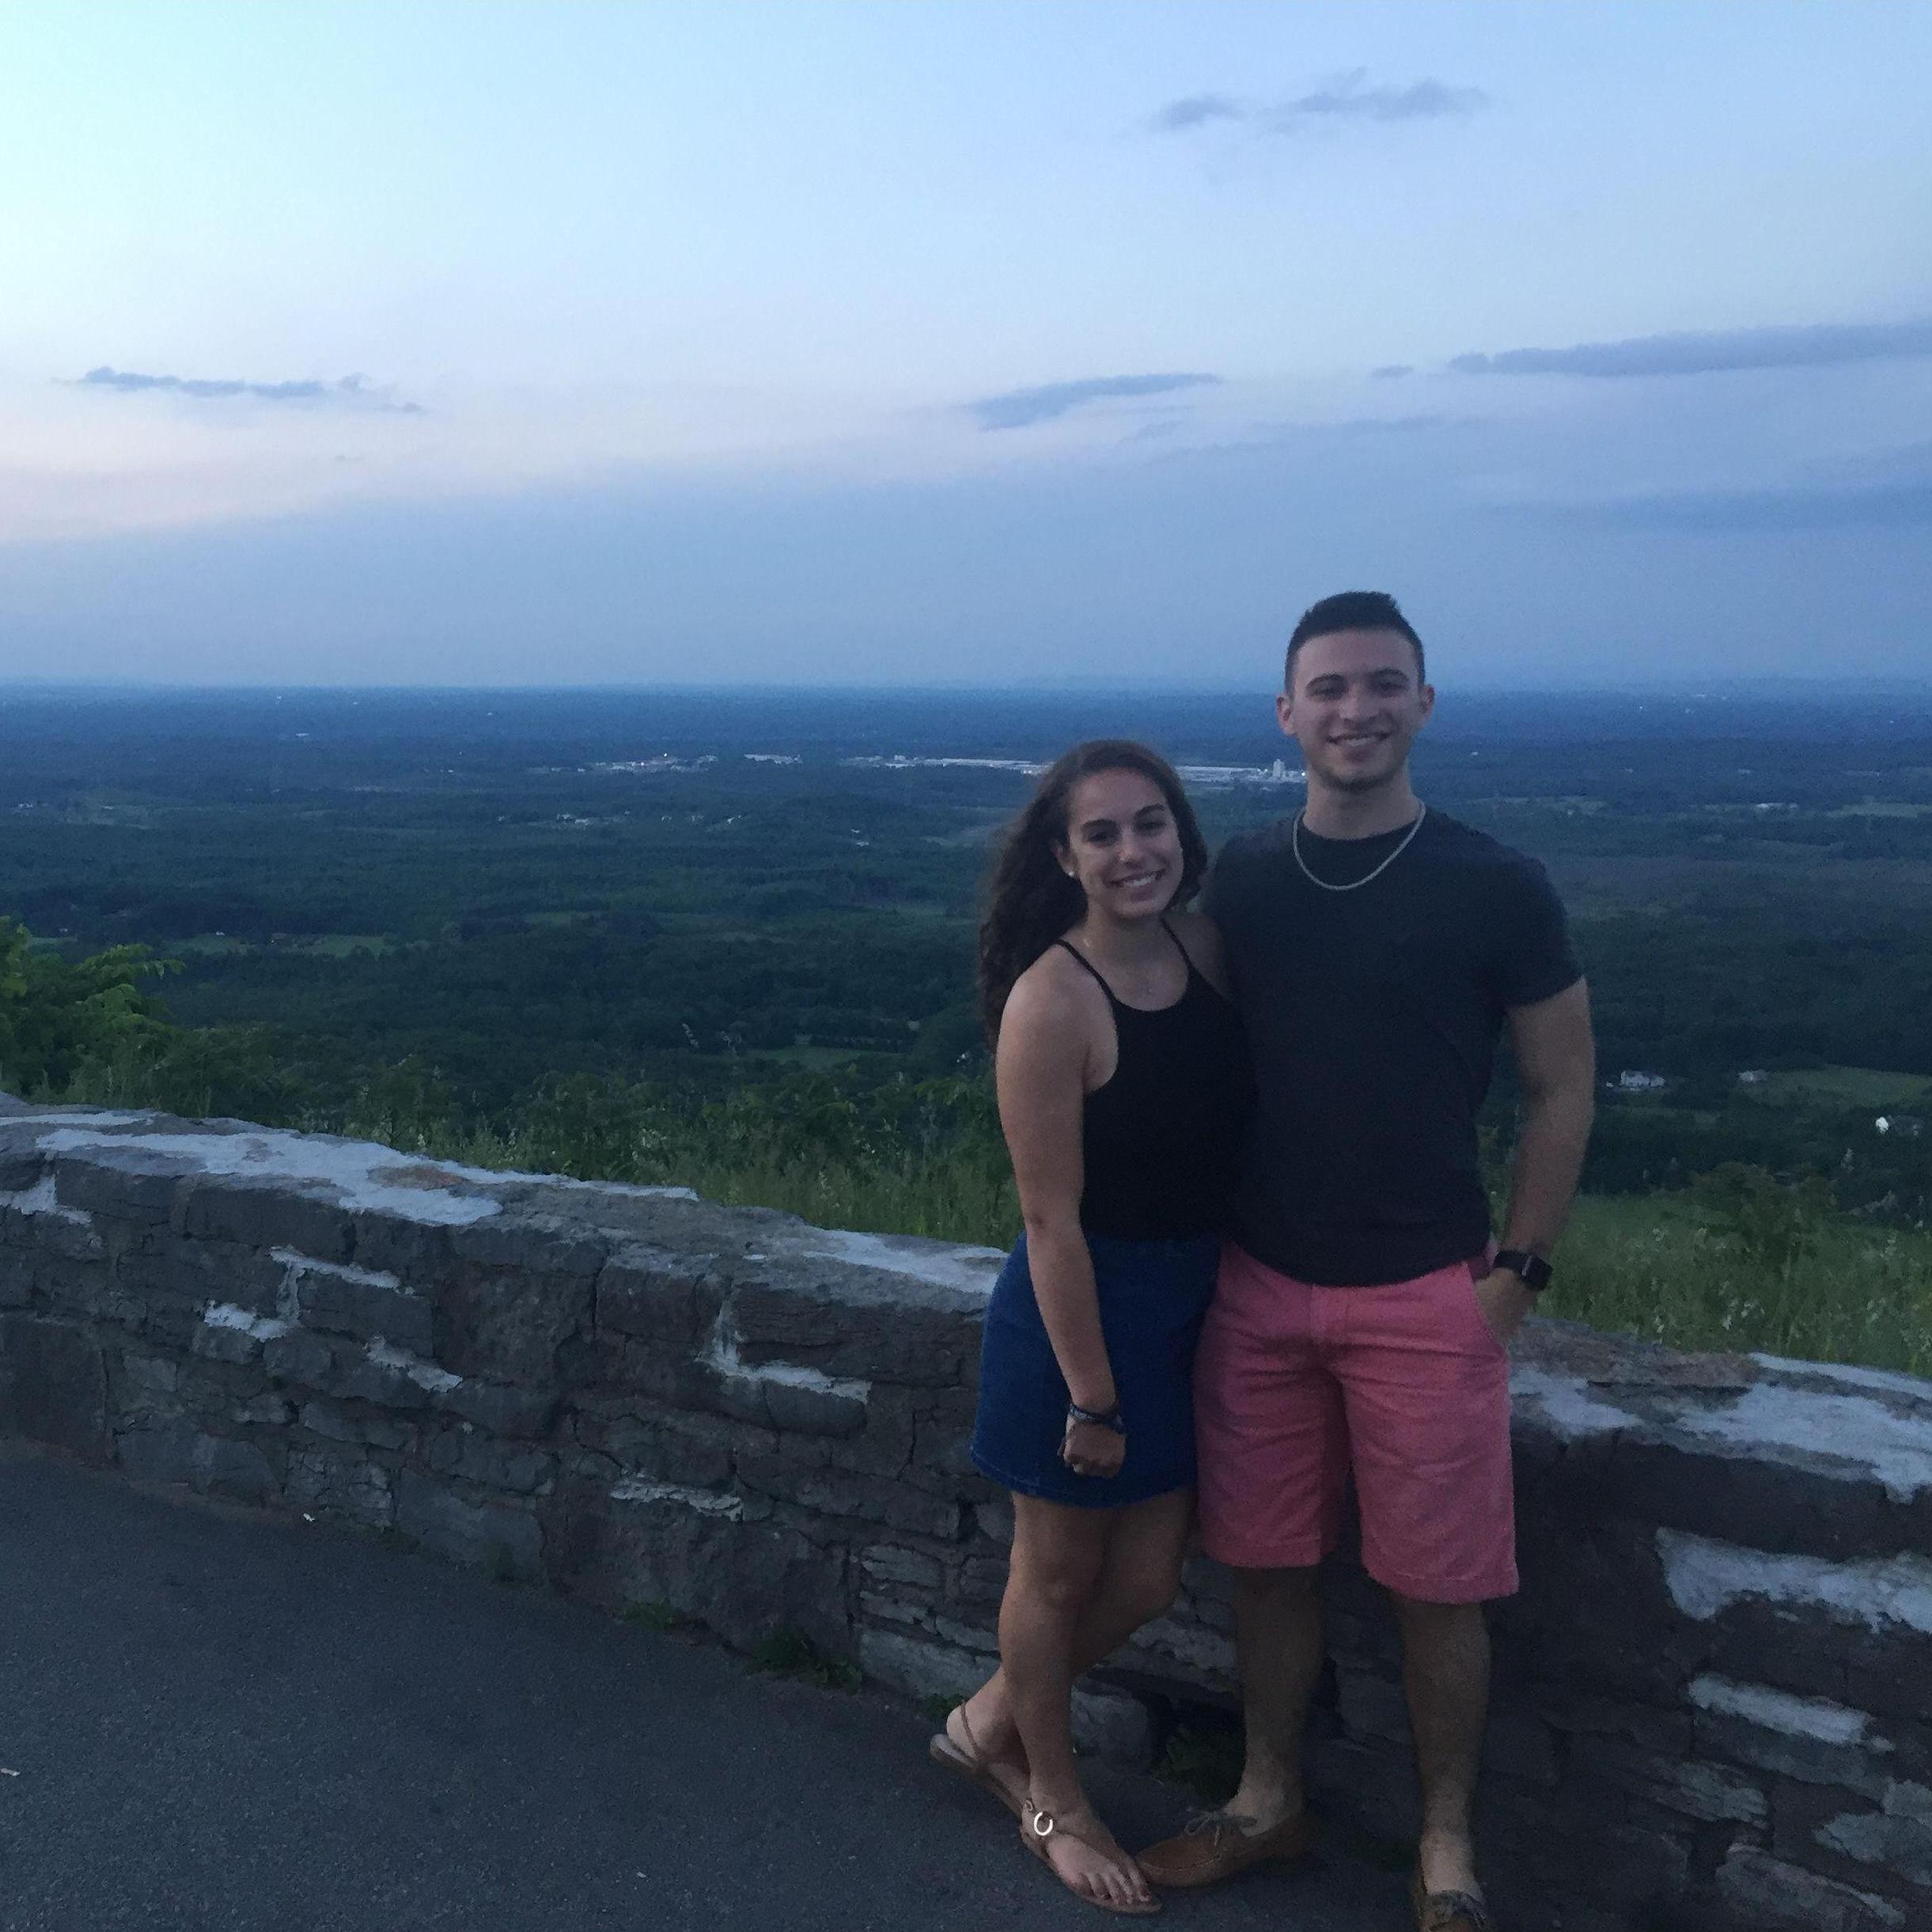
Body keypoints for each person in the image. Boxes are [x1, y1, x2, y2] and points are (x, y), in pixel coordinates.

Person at [1136, 593, 1595, 1932]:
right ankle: (1267, 1796)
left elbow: (1560, 1086)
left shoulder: (1494, 883)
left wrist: (1517, 1269)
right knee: (1264, 1559)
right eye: (1327, 688)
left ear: (1424, 705)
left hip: (1425, 1291)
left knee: (1437, 1582)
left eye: (1382, 684)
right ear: (1285, 713)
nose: (1356, 709)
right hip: (1257, 1280)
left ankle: (1446, 1848)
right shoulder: (1245, 876)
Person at [930, 740, 1252, 1917]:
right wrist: (1091, 1396)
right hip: (1078, 1321)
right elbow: (1049, 1219)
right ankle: (1052, 1797)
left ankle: (985, 1722)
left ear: (1181, 834)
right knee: (1058, 1572)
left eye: (1150, 823)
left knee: (1152, 1578)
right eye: (1102, 833)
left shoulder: (1203, 949)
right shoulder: (1051, 1000)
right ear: (1062, 858)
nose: (1132, 851)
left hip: (1185, 1306)